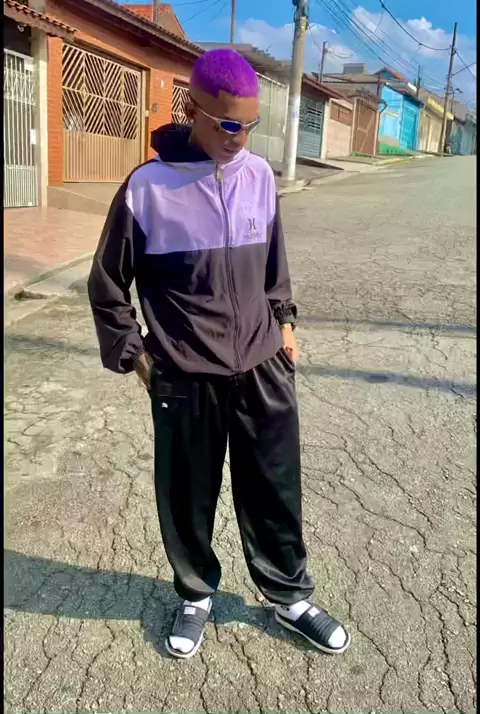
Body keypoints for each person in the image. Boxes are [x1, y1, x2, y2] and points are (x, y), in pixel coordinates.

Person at [88, 49, 351, 660]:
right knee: (187, 492)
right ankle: (195, 593)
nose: (240, 137)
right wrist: (138, 358)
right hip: (185, 375)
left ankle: (288, 596)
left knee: (276, 487)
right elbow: (106, 283)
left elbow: (274, 265)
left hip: (262, 365)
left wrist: (285, 324)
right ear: (193, 111)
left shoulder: (258, 176)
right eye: (229, 124)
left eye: (250, 124)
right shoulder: (147, 189)